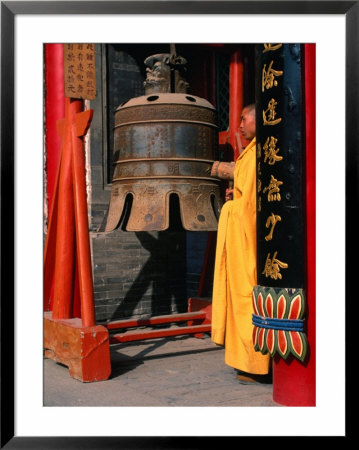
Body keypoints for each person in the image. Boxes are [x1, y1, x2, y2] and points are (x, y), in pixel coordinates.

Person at [210, 104, 271, 384]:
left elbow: (249, 207)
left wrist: (230, 207)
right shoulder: (251, 153)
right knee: (240, 299)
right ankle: (245, 360)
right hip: (243, 237)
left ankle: (255, 364)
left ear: (258, 119)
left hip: (247, 240)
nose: (239, 126)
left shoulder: (259, 153)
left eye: (243, 119)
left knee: (246, 298)